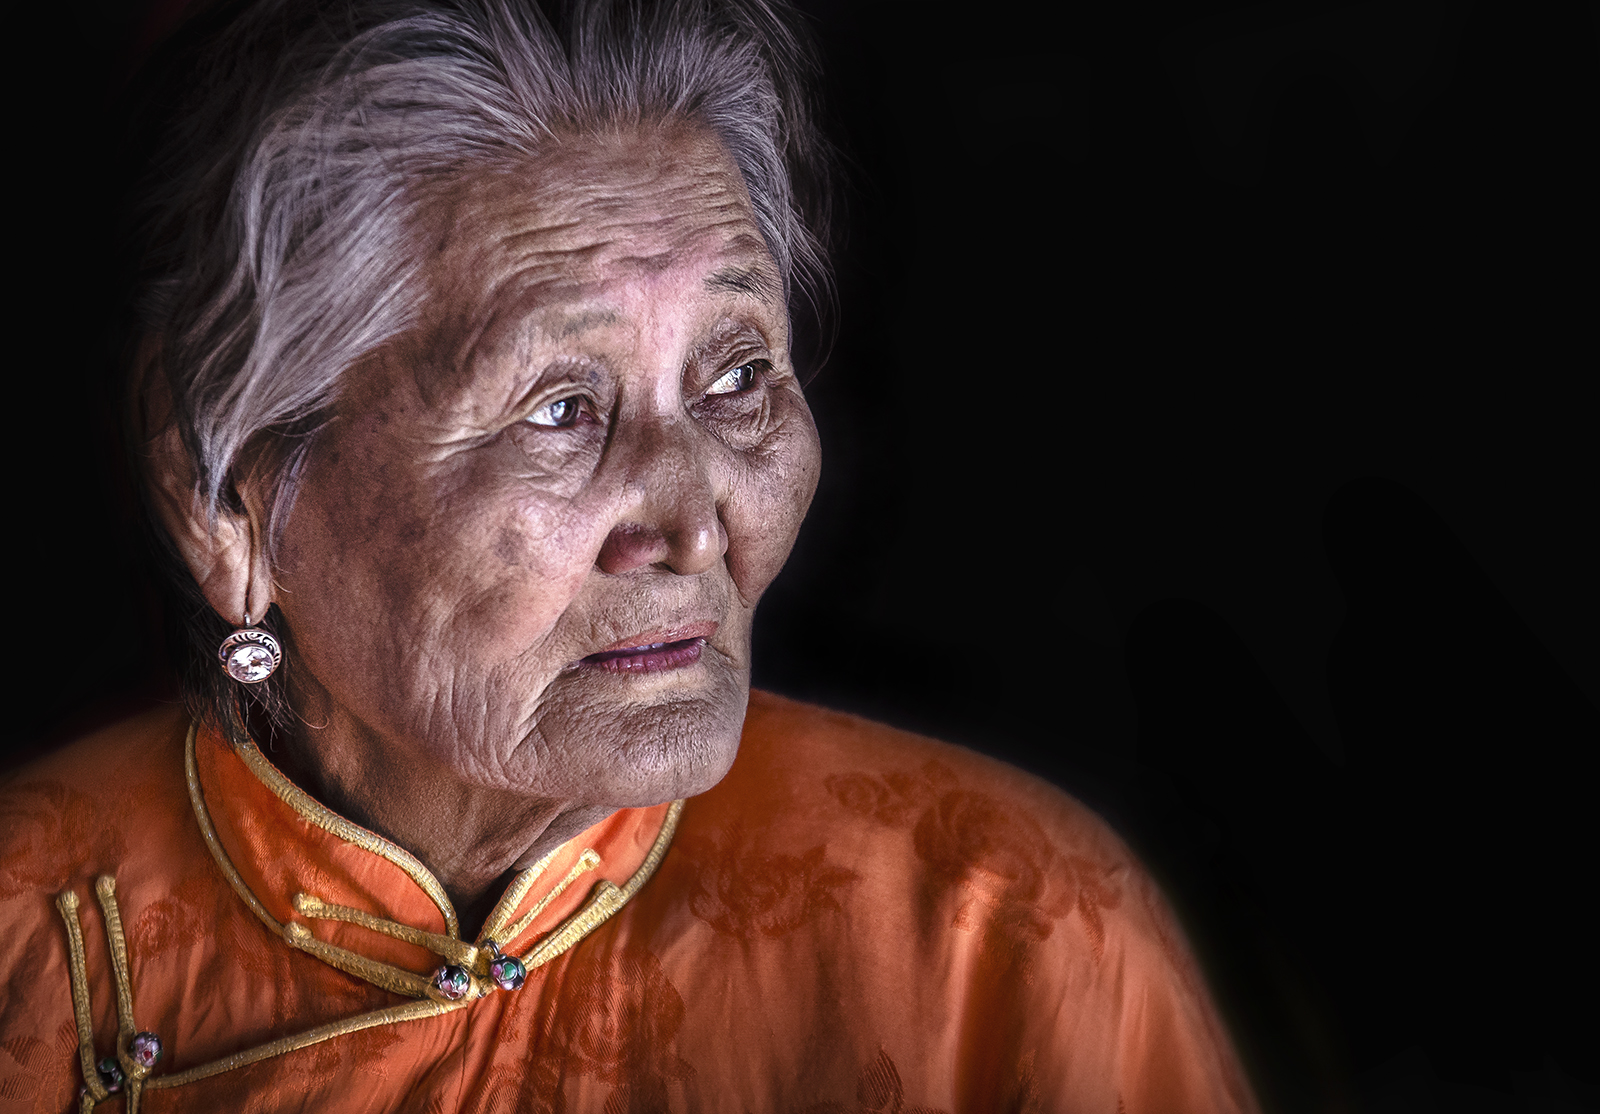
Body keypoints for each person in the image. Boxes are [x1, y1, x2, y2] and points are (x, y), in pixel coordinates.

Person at [0, 1, 1258, 1110]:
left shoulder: (1007, 932)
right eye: (559, 409)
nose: (695, 520)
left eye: (737, 374)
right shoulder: (23, 941)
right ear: (219, 494)